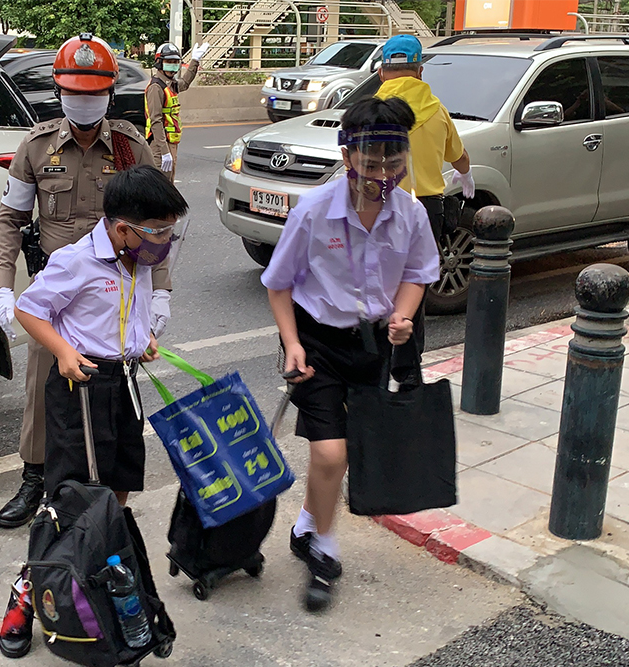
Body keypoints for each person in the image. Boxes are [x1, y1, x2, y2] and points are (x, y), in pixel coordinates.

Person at [0, 165, 189, 658]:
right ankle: (26, 597)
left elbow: (130, 312)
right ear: (122, 227)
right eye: (158, 231)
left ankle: (100, 589)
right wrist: (62, 352)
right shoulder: (75, 261)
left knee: (115, 495)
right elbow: (29, 309)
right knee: (70, 505)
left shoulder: (138, 260)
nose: (165, 241)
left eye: (170, 230)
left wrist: (142, 340)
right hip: (79, 388)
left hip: (122, 384)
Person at [261, 97, 439, 613]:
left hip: (375, 345)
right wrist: (292, 344)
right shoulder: (314, 211)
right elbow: (278, 285)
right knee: (330, 452)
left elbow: (417, 273)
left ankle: (306, 525)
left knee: (348, 449)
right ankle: (324, 548)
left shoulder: (411, 212)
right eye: (371, 163)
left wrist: (403, 317)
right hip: (316, 341)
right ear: (347, 156)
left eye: (392, 162)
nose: (382, 174)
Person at [0, 33, 172, 530]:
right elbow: (10, 219)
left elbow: (157, 223)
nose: (84, 102)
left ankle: (105, 488)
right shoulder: (37, 145)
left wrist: (162, 292)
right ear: (59, 91)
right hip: (59, 288)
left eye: (94, 94)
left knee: (111, 391)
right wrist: (2, 285)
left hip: (116, 288)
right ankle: (35, 476)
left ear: (110, 94)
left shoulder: (130, 147)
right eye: (75, 92)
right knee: (42, 387)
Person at [376, 34, 472, 353]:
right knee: (414, 291)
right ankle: (410, 367)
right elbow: (459, 156)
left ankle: (378, 362)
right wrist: (466, 174)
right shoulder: (436, 110)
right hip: (426, 213)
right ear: (420, 72)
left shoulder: (371, 112)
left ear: (381, 71)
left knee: (378, 290)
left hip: (379, 209)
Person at [144, 41, 211, 182]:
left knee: (169, 182)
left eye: (175, 62)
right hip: (160, 144)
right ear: (159, 62)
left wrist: (195, 61)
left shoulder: (171, 84)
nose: (173, 64)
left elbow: (185, 83)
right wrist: (164, 152)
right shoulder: (156, 87)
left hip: (171, 142)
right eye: (169, 61)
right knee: (162, 185)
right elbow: (156, 120)